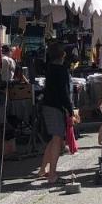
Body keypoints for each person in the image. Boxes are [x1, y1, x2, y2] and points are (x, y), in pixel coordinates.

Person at [37, 41, 74, 186]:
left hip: (48, 104)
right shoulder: (61, 69)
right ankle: (52, 174)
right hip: (56, 107)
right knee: (57, 139)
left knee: (53, 139)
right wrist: (70, 109)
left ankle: (42, 170)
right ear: (63, 54)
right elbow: (64, 93)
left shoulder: (50, 68)